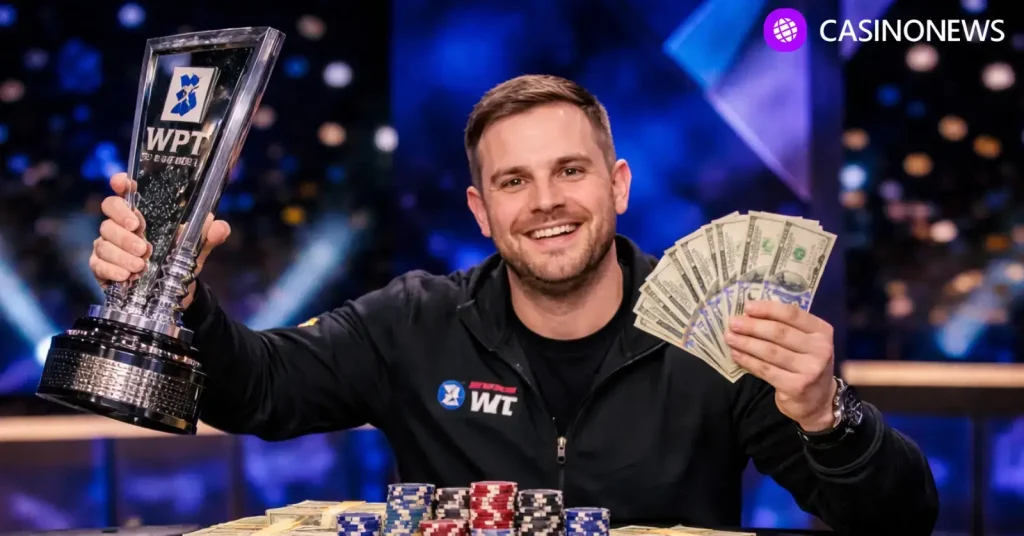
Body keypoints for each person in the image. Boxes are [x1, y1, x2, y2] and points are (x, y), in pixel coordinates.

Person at [89, 74, 938, 533]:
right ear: (481, 211)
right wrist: (181, 298)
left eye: (570, 171)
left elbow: (900, 520)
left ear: (617, 186)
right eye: (513, 181)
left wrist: (830, 418)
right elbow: (259, 391)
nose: (546, 202)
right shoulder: (413, 320)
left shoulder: (722, 336)